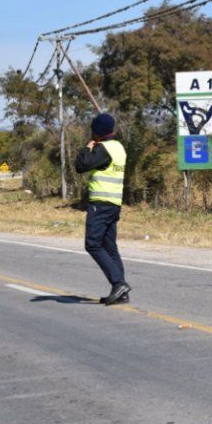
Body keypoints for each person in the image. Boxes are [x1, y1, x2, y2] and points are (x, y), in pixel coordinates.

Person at [74, 113, 130, 305]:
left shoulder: (103, 149)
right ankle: (120, 292)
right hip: (114, 203)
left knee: (92, 244)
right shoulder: (119, 147)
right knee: (110, 247)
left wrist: (87, 147)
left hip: (101, 203)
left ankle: (119, 283)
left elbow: (81, 165)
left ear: (97, 131)